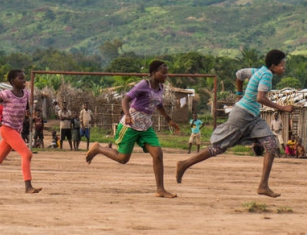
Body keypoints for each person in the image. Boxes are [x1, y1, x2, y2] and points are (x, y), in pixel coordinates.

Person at [176, 50, 292, 198]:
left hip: (253, 116)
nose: (284, 68)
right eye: (282, 65)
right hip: (242, 115)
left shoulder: (258, 71)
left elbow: (239, 74)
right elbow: (260, 98)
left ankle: (263, 186)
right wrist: (282, 108)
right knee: (218, 148)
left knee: (271, 144)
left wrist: (239, 94)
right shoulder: (267, 75)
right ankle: (184, 164)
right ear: (274, 65)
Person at [86, 60, 180, 198]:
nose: (166, 76)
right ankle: (98, 148)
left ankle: (160, 189)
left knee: (158, 154)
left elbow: (158, 105)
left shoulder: (160, 88)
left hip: (146, 126)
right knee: (123, 159)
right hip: (131, 124)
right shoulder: (143, 85)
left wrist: (169, 120)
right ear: (154, 73)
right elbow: (125, 99)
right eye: (163, 73)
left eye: (167, 74)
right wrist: (128, 115)